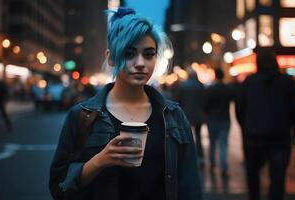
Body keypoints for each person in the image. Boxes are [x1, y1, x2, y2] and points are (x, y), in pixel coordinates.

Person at [49, 7, 203, 200]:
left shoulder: (173, 116)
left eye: (149, 54)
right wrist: (99, 161)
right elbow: (58, 186)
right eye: (129, 54)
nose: (140, 63)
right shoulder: (82, 115)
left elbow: (190, 187)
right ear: (111, 58)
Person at [235, 49, 295, 200]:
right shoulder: (287, 82)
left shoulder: (249, 82)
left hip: (253, 137)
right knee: (278, 179)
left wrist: (246, 127)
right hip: (279, 137)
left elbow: (239, 108)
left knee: (253, 178)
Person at [205, 68, 234, 177]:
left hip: (212, 119)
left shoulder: (210, 89)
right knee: (223, 144)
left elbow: (206, 104)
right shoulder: (228, 89)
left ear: (215, 76)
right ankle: (224, 168)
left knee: (212, 143)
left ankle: (212, 164)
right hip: (225, 119)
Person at [176, 68, 207, 166]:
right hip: (199, 115)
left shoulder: (183, 86)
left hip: (186, 116)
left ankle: (188, 157)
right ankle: (200, 156)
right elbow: (205, 101)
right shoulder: (201, 85)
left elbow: (178, 100)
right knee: (198, 136)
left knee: (187, 137)